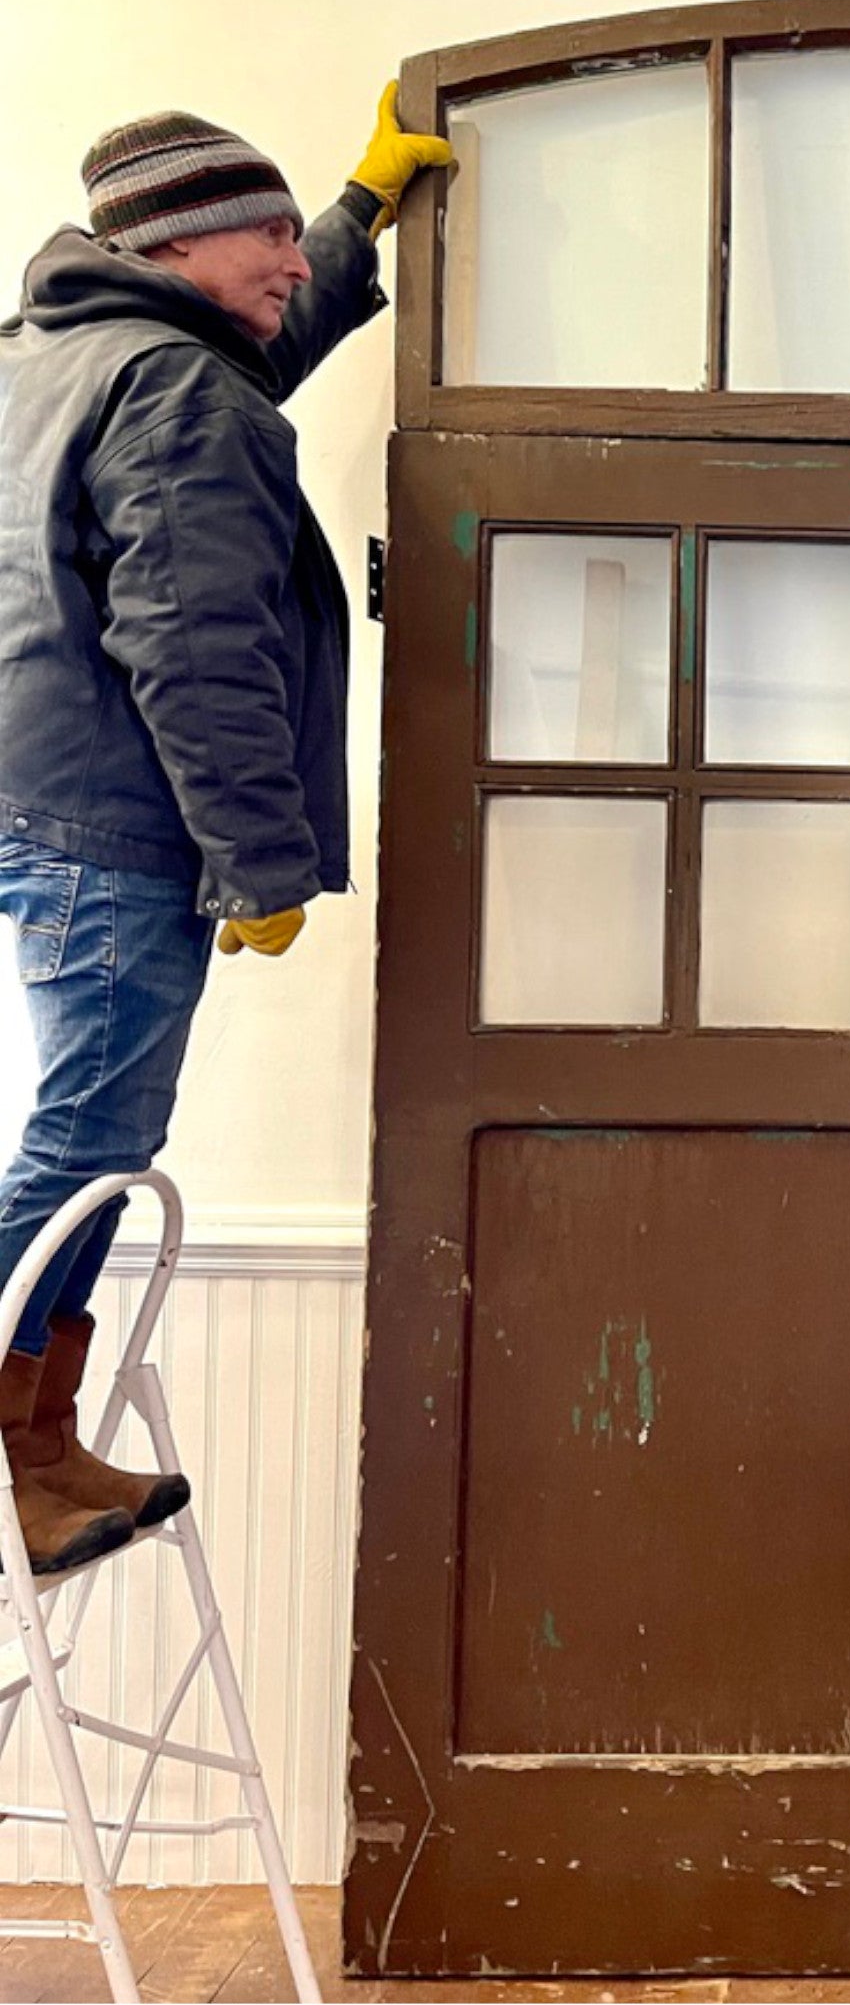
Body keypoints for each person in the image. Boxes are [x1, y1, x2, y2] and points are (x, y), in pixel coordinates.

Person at [0, 87, 449, 1574]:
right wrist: (259, 865)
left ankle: (38, 1451)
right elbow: (195, 645)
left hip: (40, 797)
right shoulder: (179, 389)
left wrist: (359, 207)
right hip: (121, 824)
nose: (286, 259)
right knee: (89, 1140)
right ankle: (27, 1443)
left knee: (90, 1131)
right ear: (185, 246)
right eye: (266, 232)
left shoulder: (62, 351)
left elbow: (249, 357)